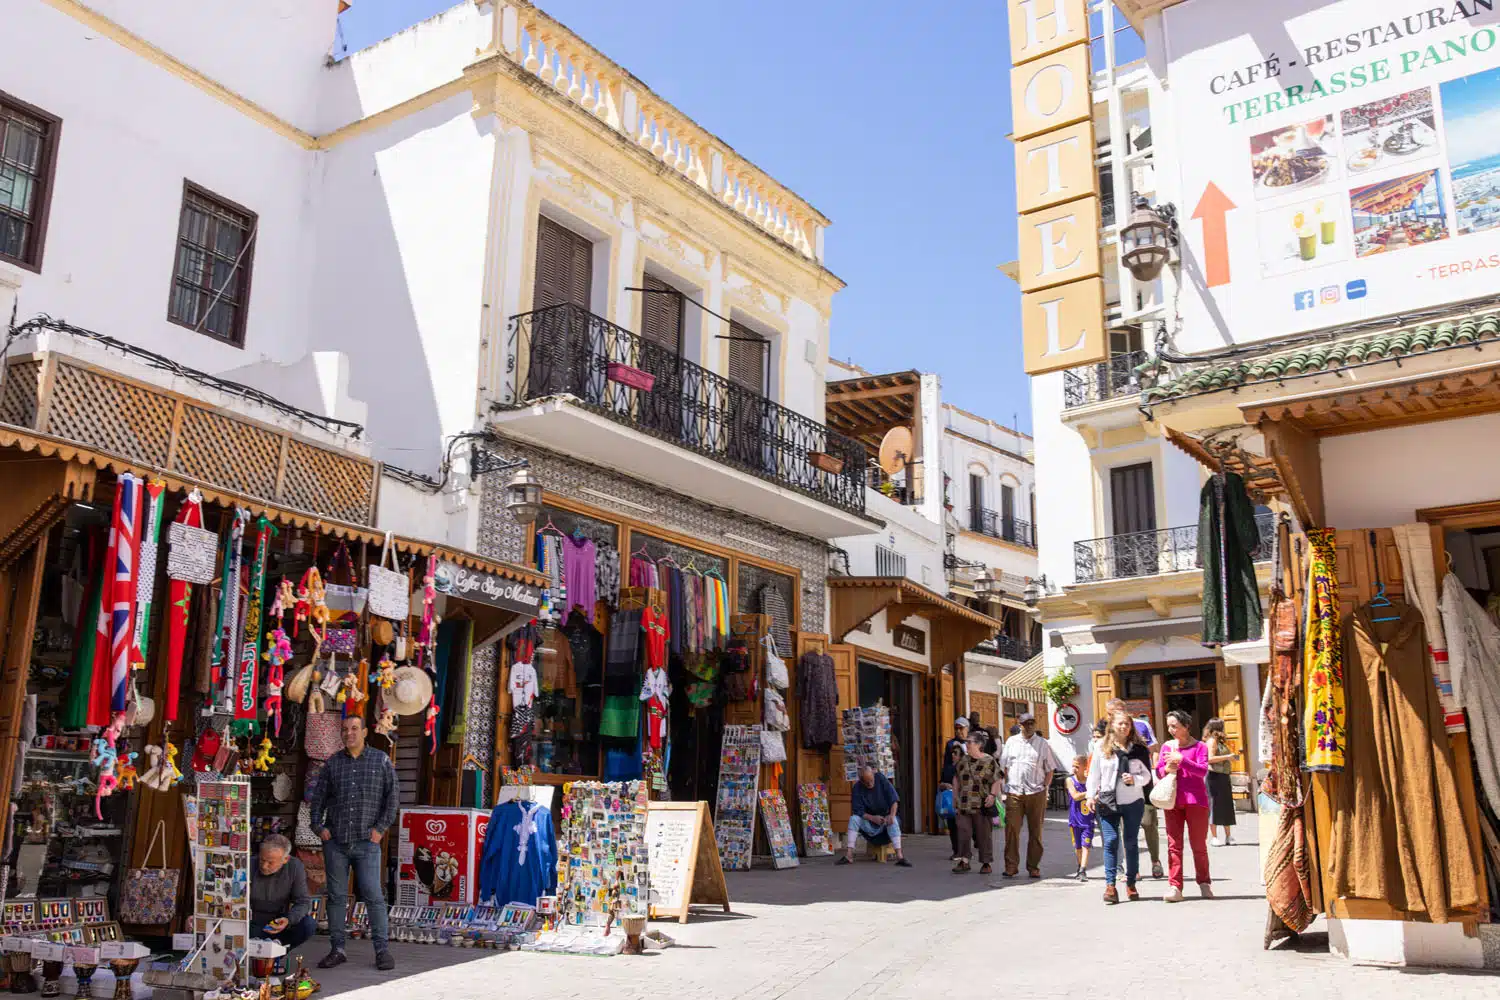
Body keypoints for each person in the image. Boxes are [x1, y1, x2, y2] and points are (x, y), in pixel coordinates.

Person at [309, 715, 399, 970]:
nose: (349, 733)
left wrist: (380, 829)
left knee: (373, 895)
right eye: (345, 729)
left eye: (354, 729)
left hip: (366, 842)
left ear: (365, 732)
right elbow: (317, 800)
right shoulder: (332, 764)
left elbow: (392, 799)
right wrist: (319, 827)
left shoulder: (380, 760)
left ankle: (382, 950)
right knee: (336, 897)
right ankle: (337, 949)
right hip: (335, 842)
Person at [1087, 710, 1152, 904]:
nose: (1124, 727)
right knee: (1111, 841)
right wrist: (1090, 796)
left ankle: (1131, 883)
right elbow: (1094, 773)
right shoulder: (1100, 746)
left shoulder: (1138, 749)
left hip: (1133, 801)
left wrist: (1135, 779)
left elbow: (1148, 776)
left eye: (1127, 724)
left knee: (1131, 843)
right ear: (1112, 726)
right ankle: (1110, 886)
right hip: (1107, 801)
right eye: (1120, 724)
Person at [1157, 709, 1213, 902]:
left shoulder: (1200, 747)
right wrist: (1166, 768)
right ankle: (1175, 886)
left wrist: (1182, 761)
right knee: (1174, 845)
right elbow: (1159, 772)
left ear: (1186, 726)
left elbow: (1202, 770)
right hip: (1172, 801)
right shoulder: (1167, 747)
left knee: (1199, 845)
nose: (1171, 730)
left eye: (1175, 726)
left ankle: (1204, 882)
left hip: (1196, 801)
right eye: (1169, 726)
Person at [1106, 698, 1164, 880]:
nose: (1110, 717)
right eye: (1110, 715)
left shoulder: (1142, 725)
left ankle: (1155, 861)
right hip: (1119, 792)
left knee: (1149, 824)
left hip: (1143, 786)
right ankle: (1134, 868)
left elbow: (1154, 749)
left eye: (1113, 713)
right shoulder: (1107, 732)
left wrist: (1154, 775)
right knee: (1128, 831)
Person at [998, 712, 1059, 878]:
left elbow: (1050, 769)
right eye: (1026, 723)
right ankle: (1011, 866)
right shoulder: (1011, 742)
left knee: (1036, 831)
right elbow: (1004, 766)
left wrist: (1045, 787)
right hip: (1015, 792)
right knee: (1011, 830)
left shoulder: (1042, 744)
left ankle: (1033, 866)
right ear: (1020, 724)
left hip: (1036, 792)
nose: (1029, 726)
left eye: (1032, 723)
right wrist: (1004, 788)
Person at [838, 766, 912, 867]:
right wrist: (873, 818)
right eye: (867, 782)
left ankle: (900, 856)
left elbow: (894, 800)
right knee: (854, 819)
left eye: (871, 780)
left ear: (873, 774)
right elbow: (858, 811)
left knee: (893, 820)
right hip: (870, 824)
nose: (870, 784)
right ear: (861, 782)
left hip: (886, 823)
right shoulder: (857, 788)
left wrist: (891, 815)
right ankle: (849, 855)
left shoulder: (881, 779)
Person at [250, 835, 315, 949]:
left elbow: (303, 902)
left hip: (279, 922)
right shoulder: (249, 863)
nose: (264, 866)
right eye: (262, 860)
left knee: (308, 924)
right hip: (252, 923)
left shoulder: (294, 867)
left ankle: (277, 955)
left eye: (270, 862)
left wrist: (289, 919)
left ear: (285, 859)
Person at [952, 731, 1001, 874]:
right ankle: (964, 861)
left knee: (983, 835)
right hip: (964, 804)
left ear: (979, 745)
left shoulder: (989, 760)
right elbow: (956, 778)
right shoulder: (963, 760)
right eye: (966, 742)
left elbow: (997, 779)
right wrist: (955, 796)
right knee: (963, 832)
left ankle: (986, 862)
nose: (966, 744)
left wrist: (992, 796)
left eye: (969, 742)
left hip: (982, 805)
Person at [1202, 717, 1239, 846]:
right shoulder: (1212, 741)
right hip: (1214, 776)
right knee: (1214, 805)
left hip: (1223, 775)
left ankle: (1228, 836)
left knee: (1226, 804)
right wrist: (1228, 757)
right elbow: (1210, 759)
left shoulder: (1220, 741)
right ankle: (1214, 836)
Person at [1065, 754, 1093, 881]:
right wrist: (1091, 793)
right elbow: (1075, 796)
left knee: (1086, 845)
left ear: (1084, 767)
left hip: (1088, 819)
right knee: (1077, 846)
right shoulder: (1070, 780)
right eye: (1073, 766)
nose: (1074, 769)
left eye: (1077, 766)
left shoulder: (1090, 780)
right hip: (1074, 819)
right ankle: (1079, 866)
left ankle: (1083, 870)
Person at [939, 739, 963, 861]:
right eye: (952, 752)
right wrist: (945, 785)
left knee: (962, 827)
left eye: (956, 753)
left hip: (961, 801)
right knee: (952, 827)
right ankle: (956, 851)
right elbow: (940, 783)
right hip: (949, 801)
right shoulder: (947, 768)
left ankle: (963, 851)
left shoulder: (964, 768)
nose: (953, 755)